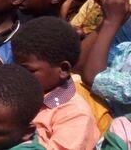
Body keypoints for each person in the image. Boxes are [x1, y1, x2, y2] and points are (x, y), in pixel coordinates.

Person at [12, 17, 101, 149]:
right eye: (15, 67)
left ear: (63, 70)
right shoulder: (14, 91)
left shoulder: (75, 116)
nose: (18, 75)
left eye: (28, 70)